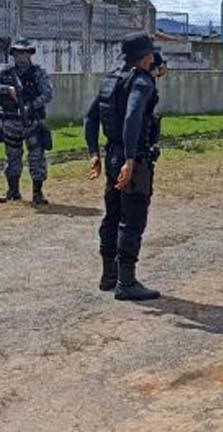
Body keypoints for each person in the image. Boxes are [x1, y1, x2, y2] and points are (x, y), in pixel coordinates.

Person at [84, 32, 162, 300]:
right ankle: (126, 283)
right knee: (132, 219)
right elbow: (132, 117)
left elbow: (90, 117)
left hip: (112, 154)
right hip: (133, 158)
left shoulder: (110, 79)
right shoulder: (141, 82)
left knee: (113, 215)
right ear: (147, 56)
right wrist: (130, 160)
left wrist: (94, 152)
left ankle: (109, 276)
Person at [0, 39, 53, 205]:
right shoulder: (5, 73)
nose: (20, 56)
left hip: (31, 122)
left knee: (36, 157)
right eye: (17, 53)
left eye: (24, 52)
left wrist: (31, 105)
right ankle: (13, 190)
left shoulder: (38, 73)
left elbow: (48, 94)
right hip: (10, 122)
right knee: (12, 158)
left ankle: (37, 193)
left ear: (30, 54)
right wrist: (7, 90)